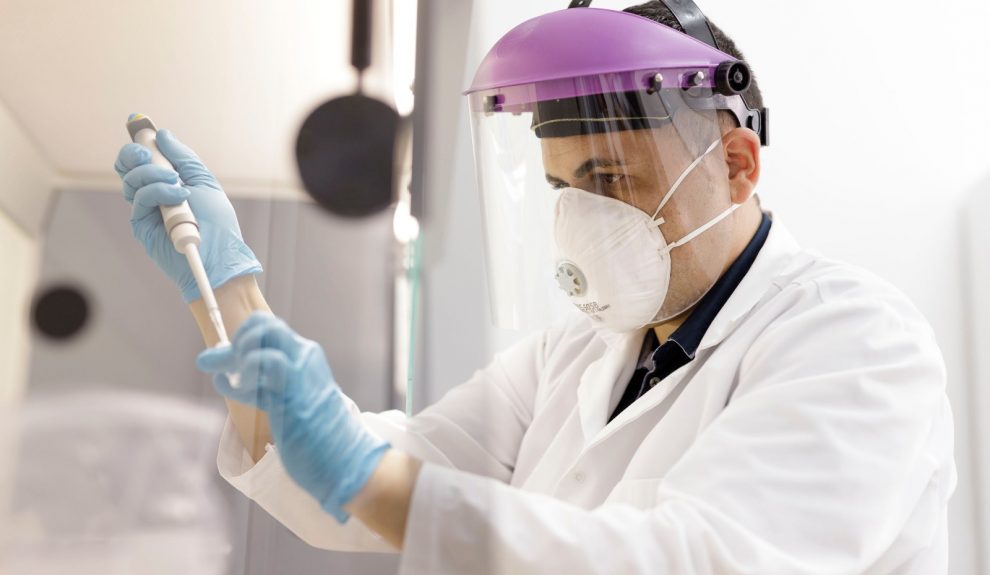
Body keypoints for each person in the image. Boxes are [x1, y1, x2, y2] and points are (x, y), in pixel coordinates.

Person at [114, 2, 956, 573]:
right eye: (565, 189)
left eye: (611, 178)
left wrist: (366, 477)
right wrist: (223, 284)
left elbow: (690, 559)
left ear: (735, 165)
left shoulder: (857, 343)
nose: (584, 219)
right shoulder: (576, 353)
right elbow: (358, 484)